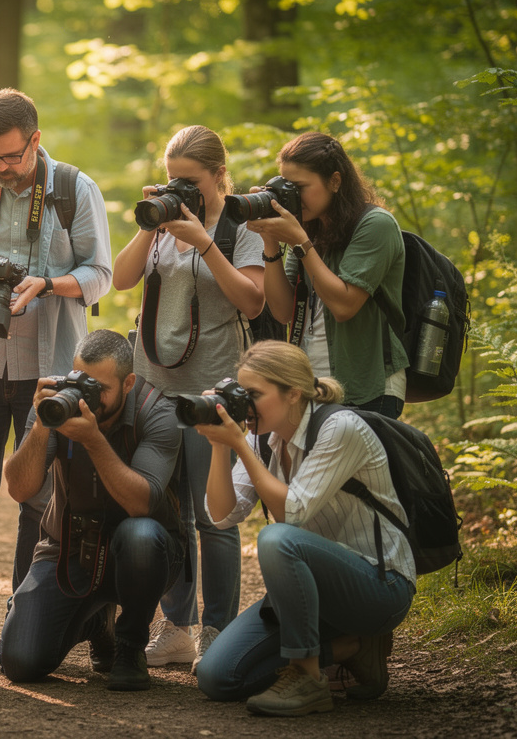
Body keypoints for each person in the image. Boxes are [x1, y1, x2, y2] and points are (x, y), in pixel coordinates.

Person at [0, 88, 113, 658]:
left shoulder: (74, 190)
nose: (4, 168)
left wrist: (49, 284)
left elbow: (102, 275)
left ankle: (26, 611)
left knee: (38, 497)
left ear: (36, 140)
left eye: (13, 157)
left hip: (49, 367)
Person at [192, 340, 415, 716]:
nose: (245, 407)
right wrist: (219, 442)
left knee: (277, 537)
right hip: (311, 594)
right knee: (217, 677)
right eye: (240, 395)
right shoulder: (260, 436)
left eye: (254, 395)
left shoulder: (340, 428)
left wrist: (240, 446)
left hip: (380, 586)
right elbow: (221, 515)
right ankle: (352, 648)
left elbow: (292, 512)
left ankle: (308, 677)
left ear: (293, 393)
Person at [111, 124, 265, 669]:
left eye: (191, 180)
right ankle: (177, 626)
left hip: (212, 389)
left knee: (214, 519)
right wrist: (149, 223)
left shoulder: (239, 228)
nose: (181, 188)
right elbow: (121, 281)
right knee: (167, 513)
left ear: (220, 176)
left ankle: (220, 630)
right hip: (153, 388)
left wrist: (205, 242)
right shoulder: (161, 224)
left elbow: (251, 301)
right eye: (171, 179)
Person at [0, 330, 184, 691]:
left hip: (145, 552)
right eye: (83, 381)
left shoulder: (158, 412)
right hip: (71, 547)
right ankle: (98, 623)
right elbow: (20, 488)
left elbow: (141, 504)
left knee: (139, 535)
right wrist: (40, 424)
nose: (88, 396)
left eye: (101, 388)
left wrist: (93, 440)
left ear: (128, 382)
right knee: (20, 662)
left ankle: (130, 646)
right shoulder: (57, 402)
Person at [246, 131, 406, 418]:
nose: (293, 197)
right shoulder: (308, 229)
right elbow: (283, 312)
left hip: (366, 386)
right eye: (287, 187)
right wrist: (270, 242)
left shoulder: (376, 225)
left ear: (334, 181)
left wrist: (301, 243)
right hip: (311, 386)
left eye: (300, 187)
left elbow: (344, 306)